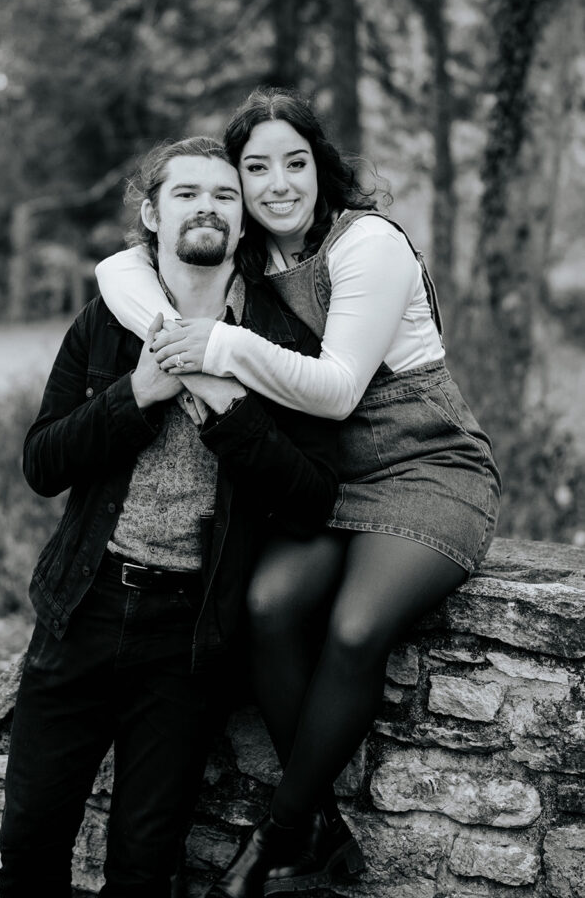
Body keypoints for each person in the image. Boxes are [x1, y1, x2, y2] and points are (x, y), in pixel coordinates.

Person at [95, 89, 502, 898]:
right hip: (329, 480)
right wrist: (181, 343)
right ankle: (319, 829)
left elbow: (338, 390)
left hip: (428, 466)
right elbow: (116, 269)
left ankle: (279, 834)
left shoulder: (367, 243)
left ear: (321, 168)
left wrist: (216, 344)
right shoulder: (247, 253)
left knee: (354, 627)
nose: (277, 183)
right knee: (266, 606)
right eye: (255, 168)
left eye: (295, 162)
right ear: (238, 181)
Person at [0, 135, 340, 898]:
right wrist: (137, 395)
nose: (206, 208)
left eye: (224, 195)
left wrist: (227, 409)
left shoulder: (283, 343)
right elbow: (42, 463)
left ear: (243, 220)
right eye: (186, 193)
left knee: (145, 868)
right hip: (81, 610)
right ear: (151, 214)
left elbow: (315, 495)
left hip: (188, 637)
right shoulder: (106, 323)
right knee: (28, 847)